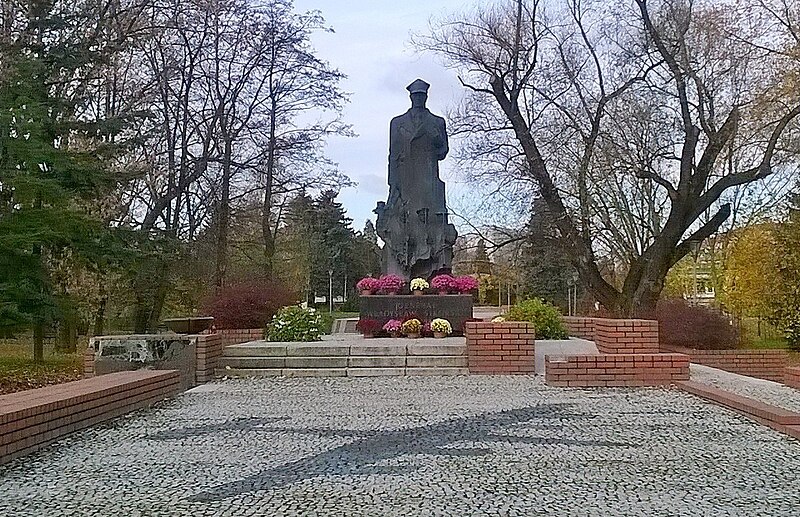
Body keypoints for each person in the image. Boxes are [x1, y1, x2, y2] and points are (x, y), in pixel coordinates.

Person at [375, 79, 457, 280]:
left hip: (427, 179)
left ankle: (432, 268)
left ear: (426, 97)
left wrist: (436, 138)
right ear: (410, 97)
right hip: (404, 179)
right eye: (415, 95)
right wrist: (392, 184)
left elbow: (443, 151)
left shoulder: (437, 122)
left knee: (429, 221)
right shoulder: (397, 122)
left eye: (422, 95)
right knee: (403, 220)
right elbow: (392, 154)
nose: (418, 98)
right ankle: (402, 270)